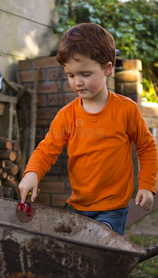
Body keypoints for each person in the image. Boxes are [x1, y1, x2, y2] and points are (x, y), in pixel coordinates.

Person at [19, 23, 158, 235]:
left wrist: (147, 185)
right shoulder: (67, 115)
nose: (77, 82)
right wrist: (32, 172)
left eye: (85, 74)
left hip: (113, 209)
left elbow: (147, 148)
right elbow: (47, 150)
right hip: (78, 206)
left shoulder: (126, 110)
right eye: (71, 75)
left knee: (104, 258)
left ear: (107, 69)